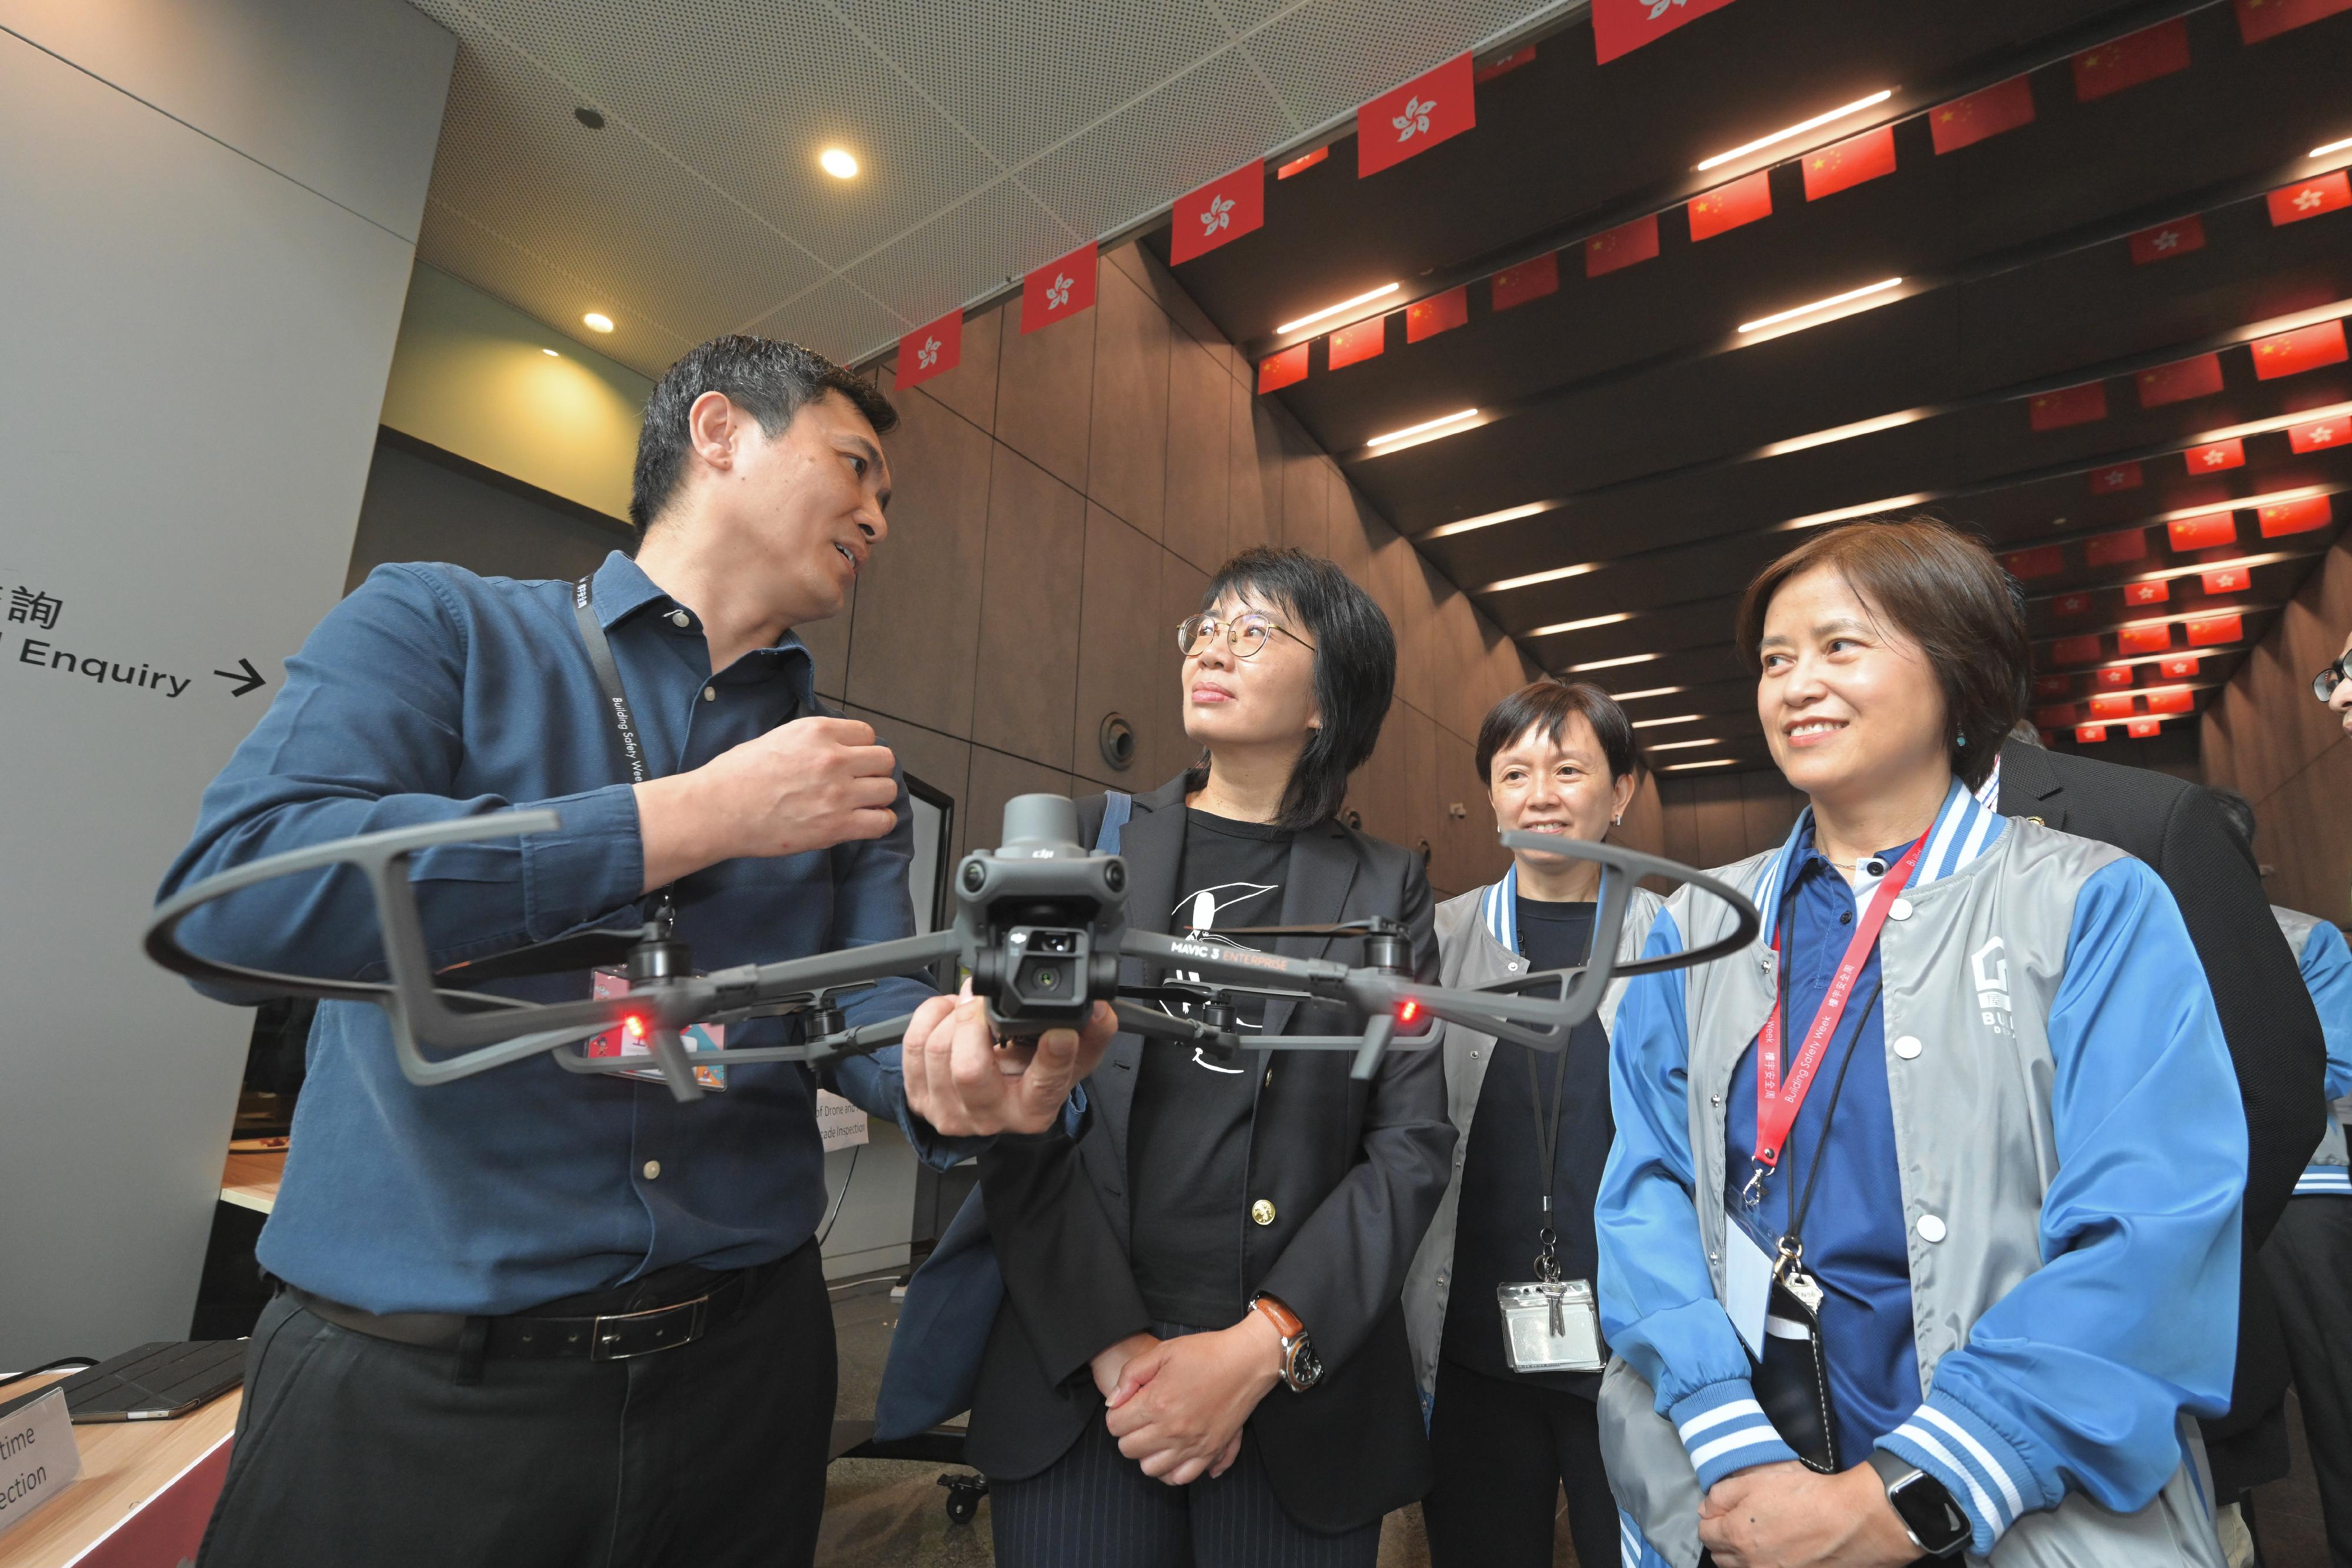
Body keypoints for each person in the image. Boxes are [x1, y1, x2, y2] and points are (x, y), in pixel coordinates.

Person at [156, 336, 1109, 1568]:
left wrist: (946, 1061)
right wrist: (695, 816)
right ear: (717, 432)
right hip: (415, 1389)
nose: (877, 513)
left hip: (744, 1381)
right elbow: (235, 906)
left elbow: (864, 1004)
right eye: (855, 466)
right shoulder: (438, 625)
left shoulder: (838, 760)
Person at [1598, 517, 2244, 1566]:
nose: (1796, 682)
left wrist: (1913, 1492)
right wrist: (1722, 1434)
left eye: (1840, 646)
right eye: (1774, 659)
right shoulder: (1700, 925)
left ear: (1957, 669)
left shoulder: (2090, 902)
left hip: (2019, 1502)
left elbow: (2153, 1230)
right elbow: (1647, 1193)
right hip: (1746, 1486)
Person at [964, 547, 1453, 1567]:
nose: (1212, 649)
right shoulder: (1082, 846)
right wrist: (1122, 1352)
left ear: (1330, 698)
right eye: (1207, 627)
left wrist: (1258, 1348)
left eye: (1255, 631)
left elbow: (1408, 1147)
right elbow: (1018, 1109)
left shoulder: (1384, 888)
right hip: (1082, 1375)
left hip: (1291, 1393)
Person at [1987, 706, 2326, 1520]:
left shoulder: (2147, 819)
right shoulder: (1833, 860)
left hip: (2144, 1372)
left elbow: (2270, 1091)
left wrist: (2153, 1282)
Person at [1402, 678, 1662, 1568]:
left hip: (1634, 1360)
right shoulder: (1434, 945)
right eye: (1515, 773)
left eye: (1569, 769)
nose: (1540, 793)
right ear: (1492, 794)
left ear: (1621, 791)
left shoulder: (1679, 944)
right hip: (1472, 1352)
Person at [2209, 784, 2352, 1567]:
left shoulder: (2305, 938)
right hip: (2203, 1203)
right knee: (2229, 1409)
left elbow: (2336, 1056)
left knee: (2339, 1390)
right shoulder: (2152, 931)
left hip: (2307, 1192)